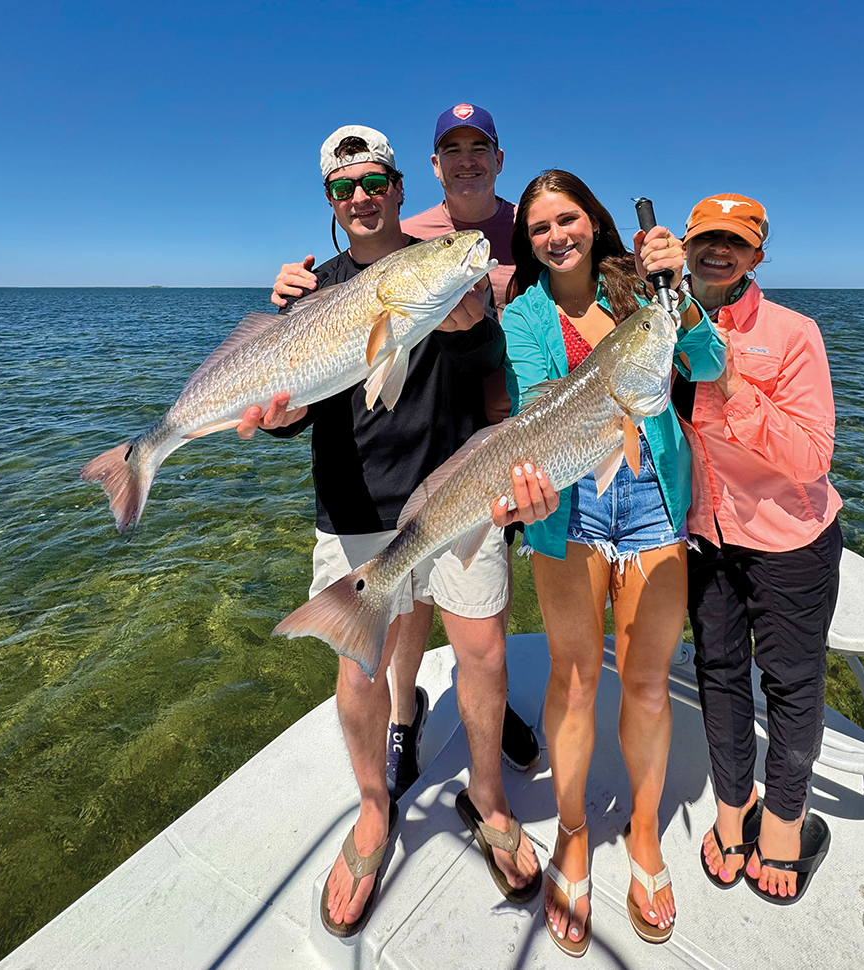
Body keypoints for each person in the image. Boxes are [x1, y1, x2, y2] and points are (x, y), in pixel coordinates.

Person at [240, 125, 544, 937]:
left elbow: (489, 370)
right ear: (331, 205)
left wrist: (474, 323)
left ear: (404, 189)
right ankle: (375, 812)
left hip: (456, 493)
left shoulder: (440, 265)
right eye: (345, 188)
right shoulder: (306, 292)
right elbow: (286, 408)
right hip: (354, 505)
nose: (362, 196)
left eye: (375, 181)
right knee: (360, 671)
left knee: (482, 650)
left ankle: (487, 798)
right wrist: (275, 418)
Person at [499, 170, 725, 955]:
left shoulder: (646, 292)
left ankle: (644, 833)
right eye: (539, 229)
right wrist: (522, 489)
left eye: (568, 219)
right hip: (568, 506)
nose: (556, 235)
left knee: (646, 679)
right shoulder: (524, 315)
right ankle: (569, 834)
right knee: (573, 677)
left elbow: (706, 360)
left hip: (655, 497)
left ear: (594, 224)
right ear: (529, 245)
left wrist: (681, 288)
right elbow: (537, 403)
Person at [673, 194, 843, 904]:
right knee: (717, 672)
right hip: (706, 538)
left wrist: (732, 382)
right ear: (686, 249)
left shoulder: (794, 331)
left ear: (757, 255)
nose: (719, 252)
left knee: (792, 683)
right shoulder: (665, 325)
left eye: (735, 242)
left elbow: (811, 455)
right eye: (706, 239)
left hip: (789, 541)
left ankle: (785, 824)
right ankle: (731, 810)